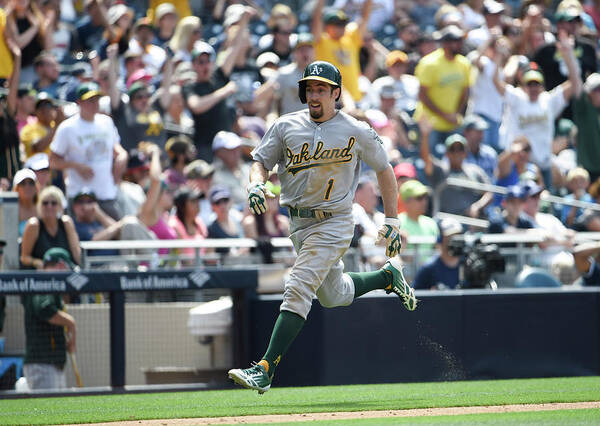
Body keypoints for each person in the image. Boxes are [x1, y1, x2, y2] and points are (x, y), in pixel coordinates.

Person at [227, 61, 416, 394]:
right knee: (333, 294)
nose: (314, 95)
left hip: (335, 221)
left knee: (298, 287)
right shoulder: (286, 125)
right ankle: (387, 276)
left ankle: (265, 368)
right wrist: (256, 184)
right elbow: (261, 161)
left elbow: (385, 170)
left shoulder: (355, 129)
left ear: (336, 93)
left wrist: (391, 219)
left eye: (321, 89)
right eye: (310, 89)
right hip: (298, 223)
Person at [493, 31, 578, 189]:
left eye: (536, 83)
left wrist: (568, 56)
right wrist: (498, 57)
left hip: (542, 164)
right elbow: (497, 83)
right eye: (529, 83)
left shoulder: (549, 99)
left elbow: (574, 83)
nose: (533, 87)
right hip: (517, 164)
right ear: (524, 85)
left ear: (542, 85)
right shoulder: (516, 97)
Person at [49, 82, 128, 220]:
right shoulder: (67, 127)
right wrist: (75, 166)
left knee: (116, 234)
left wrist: (122, 156)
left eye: (96, 99)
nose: (94, 103)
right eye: (90, 100)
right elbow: (53, 161)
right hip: (80, 198)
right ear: (79, 102)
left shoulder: (107, 122)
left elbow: (116, 148)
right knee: (84, 238)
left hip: (106, 193)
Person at [22, 247, 77, 390]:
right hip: (43, 363)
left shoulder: (48, 284)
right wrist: (71, 323)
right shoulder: (43, 282)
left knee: (57, 411)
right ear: (60, 266)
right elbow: (44, 309)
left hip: (51, 362)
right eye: (66, 269)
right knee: (46, 411)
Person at [413, 25, 473, 158]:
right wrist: (445, 115)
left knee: (454, 160)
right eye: (456, 41)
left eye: (460, 40)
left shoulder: (464, 63)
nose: (460, 44)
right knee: (429, 161)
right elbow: (423, 95)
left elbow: (465, 92)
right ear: (445, 43)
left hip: (452, 123)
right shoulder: (429, 63)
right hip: (430, 123)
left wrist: (456, 113)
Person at [312, 0, 373, 102]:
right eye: (337, 24)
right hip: (332, 100)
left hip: (355, 98)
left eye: (343, 24)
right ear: (327, 27)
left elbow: (365, 17)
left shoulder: (351, 39)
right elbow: (316, 19)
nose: (341, 27)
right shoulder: (321, 41)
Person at [20, 185, 81, 270]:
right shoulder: (33, 225)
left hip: (65, 272)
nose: (49, 206)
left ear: (60, 206)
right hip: (41, 277)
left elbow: (77, 254)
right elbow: (24, 258)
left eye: (54, 203)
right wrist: (39, 263)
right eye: (45, 203)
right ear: (39, 206)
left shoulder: (66, 223)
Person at [413, 217, 463, 290]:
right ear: (440, 240)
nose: (454, 241)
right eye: (450, 237)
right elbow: (413, 296)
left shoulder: (468, 264)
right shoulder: (429, 268)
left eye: (457, 236)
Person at [571, 73, 600, 183]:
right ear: (589, 93)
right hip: (587, 172)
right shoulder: (583, 109)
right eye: (597, 89)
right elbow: (575, 82)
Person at [398, 180, 438, 257]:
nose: (424, 202)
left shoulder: (431, 223)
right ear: (406, 202)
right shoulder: (397, 223)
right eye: (419, 198)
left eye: (425, 197)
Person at [13, 168, 39, 237]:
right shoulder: (10, 211)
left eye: (31, 183)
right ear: (16, 188)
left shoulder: (44, 208)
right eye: (23, 183)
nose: (27, 186)